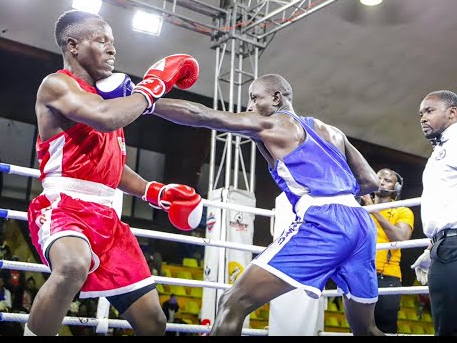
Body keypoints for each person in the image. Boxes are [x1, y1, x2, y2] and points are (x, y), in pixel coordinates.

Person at [152, 73, 384, 335]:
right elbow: (370, 181)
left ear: (276, 97)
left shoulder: (272, 125)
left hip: (324, 222)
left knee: (232, 302)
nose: (250, 107)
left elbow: (201, 114)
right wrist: (337, 192)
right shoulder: (332, 132)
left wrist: (145, 101)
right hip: (361, 225)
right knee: (366, 328)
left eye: (254, 98)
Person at [24, 9, 202, 336]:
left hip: (107, 217)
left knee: (153, 322)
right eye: (100, 40)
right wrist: (149, 90)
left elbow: (111, 166)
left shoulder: (110, 100)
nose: (111, 48)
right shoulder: (57, 85)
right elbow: (105, 117)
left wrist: (154, 191)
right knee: (72, 266)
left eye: (113, 42)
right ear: (73, 45)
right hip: (64, 207)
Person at [411, 90, 457, 336]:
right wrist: (433, 247)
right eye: (420, 114)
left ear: (452, 113)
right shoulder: (441, 150)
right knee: (446, 324)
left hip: (454, 244)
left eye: (429, 111)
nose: (422, 118)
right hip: (443, 246)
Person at [360, 168, 414, 333]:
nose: (382, 182)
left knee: (386, 328)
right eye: (378, 178)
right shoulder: (361, 211)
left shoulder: (403, 210)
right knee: (359, 328)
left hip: (387, 277)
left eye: (387, 180)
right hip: (360, 274)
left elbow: (401, 237)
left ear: (396, 187)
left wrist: (372, 208)